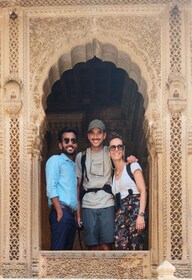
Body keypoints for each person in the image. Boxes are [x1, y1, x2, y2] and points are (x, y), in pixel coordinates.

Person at [75, 119, 137, 250]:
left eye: (99, 133)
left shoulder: (109, 152)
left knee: (107, 244)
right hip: (88, 204)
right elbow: (78, 186)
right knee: (91, 245)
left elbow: (121, 163)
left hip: (107, 203)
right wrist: (78, 212)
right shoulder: (81, 156)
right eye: (92, 133)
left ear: (104, 135)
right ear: (88, 136)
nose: (95, 136)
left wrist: (131, 160)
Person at [108, 132, 147, 250]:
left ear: (123, 150)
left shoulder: (132, 166)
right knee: (120, 249)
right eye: (113, 147)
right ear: (109, 152)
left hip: (134, 212)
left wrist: (141, 215)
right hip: (120, 215)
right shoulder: (112, 175)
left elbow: (143, 191)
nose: (116, 150)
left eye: (119, 147)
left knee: (135, 250)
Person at [45, 127, 78, 250]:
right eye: (66, 140)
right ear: (60, 145)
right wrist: (59, 211)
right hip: (61, 213)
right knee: (57, 254)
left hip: (70, 215)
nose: (70, 143)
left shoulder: (74, 166)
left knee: (67, 257)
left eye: (73, 141)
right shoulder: (55, 160)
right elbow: (51, 186)